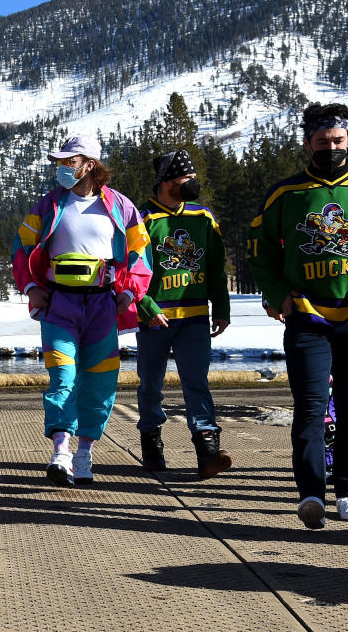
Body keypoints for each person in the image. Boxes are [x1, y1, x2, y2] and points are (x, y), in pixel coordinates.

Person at [248, 102, 348, 529]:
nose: (332, 147)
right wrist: (277, 294)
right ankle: (311, 493)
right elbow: (262, 253)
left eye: (339, 140)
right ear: (308, 143)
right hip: (306, 316)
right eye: (323, 141)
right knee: (309, 408)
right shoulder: (284, 193)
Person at [12, 134, 152, 487]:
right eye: (59, 162)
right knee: (63, 378)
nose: (61, 168)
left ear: (88, 164)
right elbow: (21, 247)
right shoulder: (48, 205)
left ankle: (85, 452)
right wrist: (32, 287)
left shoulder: (120, 207)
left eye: (68, 162)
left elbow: (140, 252)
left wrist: (130, 294)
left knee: (101, 382)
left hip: (103, 305)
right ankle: (61, 451)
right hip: (60, 304)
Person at [135, 149, 233, 478]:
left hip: (194, 317)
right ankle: (151, 442)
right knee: (151, 384)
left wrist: (221, 308)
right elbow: (132, 271)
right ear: (166, 182)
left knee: (197, 383)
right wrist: (146, 308)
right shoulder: (145, 219)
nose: (192, 183)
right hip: (155, 318)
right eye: (185, 179)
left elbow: (217, 268)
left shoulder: (204, 218)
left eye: (193, 177)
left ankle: (207, 451)